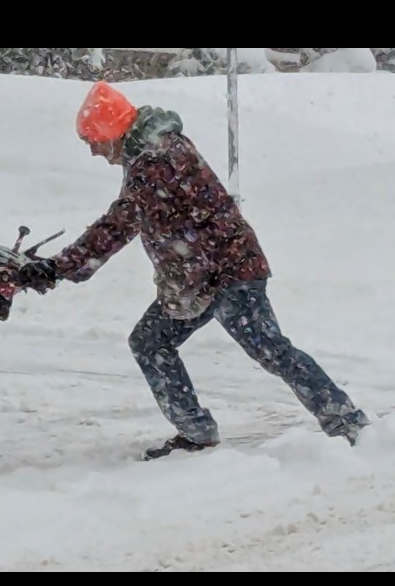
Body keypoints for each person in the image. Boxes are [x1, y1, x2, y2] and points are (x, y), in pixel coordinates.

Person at [24, 80, 370, 459]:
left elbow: (120, 223)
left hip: (227, 271)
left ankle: (346, 421)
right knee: (150, 342)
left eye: (92, 140)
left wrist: (59, 268)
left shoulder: (154, 160)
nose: (92, 151)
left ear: (110, 131)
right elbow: (131, 218)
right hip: (196, 279)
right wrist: (60, 268)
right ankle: (196, 432)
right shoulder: (152, 151)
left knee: (270, 349)